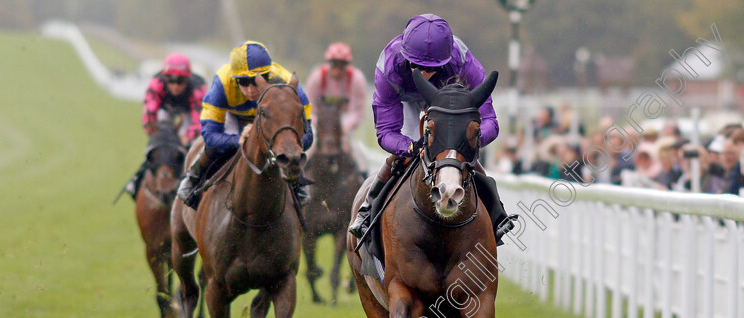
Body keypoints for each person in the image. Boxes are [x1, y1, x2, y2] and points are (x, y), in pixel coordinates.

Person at [348, 14, 516, 245]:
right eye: (417, 67)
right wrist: (408, 146)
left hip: (449, 103)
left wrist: (467, 142)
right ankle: (368, 210)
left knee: (460, 155)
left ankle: (497, 215)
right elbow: (386, 131)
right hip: (405, 102)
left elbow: (489, 121)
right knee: (401, 156)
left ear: (446, 61)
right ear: (406, 57)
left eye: (431, 68)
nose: (424, 74)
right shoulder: (388, 67)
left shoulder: (463, 61)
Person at [176, 41, 313, 209]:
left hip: (273, 120)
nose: (250, 89)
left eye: (256, 81)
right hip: (234, 118)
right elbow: (210, 136)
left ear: (268, 76)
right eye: (243, 82)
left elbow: (308, 136)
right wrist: (237, 140)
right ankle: (193, 177)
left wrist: (285, 145)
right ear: (235, 80)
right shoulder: (222, 83)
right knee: (216, 149)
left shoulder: (288, 83)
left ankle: (299, 185)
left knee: (289, 149)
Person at [124, 53, 206, 199]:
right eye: (171, 80)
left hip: (189, 112)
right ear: (165, 78)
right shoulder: (157, 82)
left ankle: (191, 178)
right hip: (165, 110)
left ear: (188, 79)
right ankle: (139, 177)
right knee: (159, 142)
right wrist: (154, 134)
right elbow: (149, 112)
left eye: (180, 81)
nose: (175, 86)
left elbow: (200, 119)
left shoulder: (198, 88)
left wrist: (188, 135)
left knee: (189, 142)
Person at [304, 42, 368, 156]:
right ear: (329, 63)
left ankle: (363, 173)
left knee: (356, 151)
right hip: (320, 121)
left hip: (344, 122)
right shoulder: (317, 77)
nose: (337, 69)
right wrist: (319, 124)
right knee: (309, 147)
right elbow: (309, 108)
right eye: (334, 64)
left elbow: (357, 113)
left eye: (341, 65)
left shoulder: (356, 80)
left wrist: (341, 128)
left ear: (347, 65)